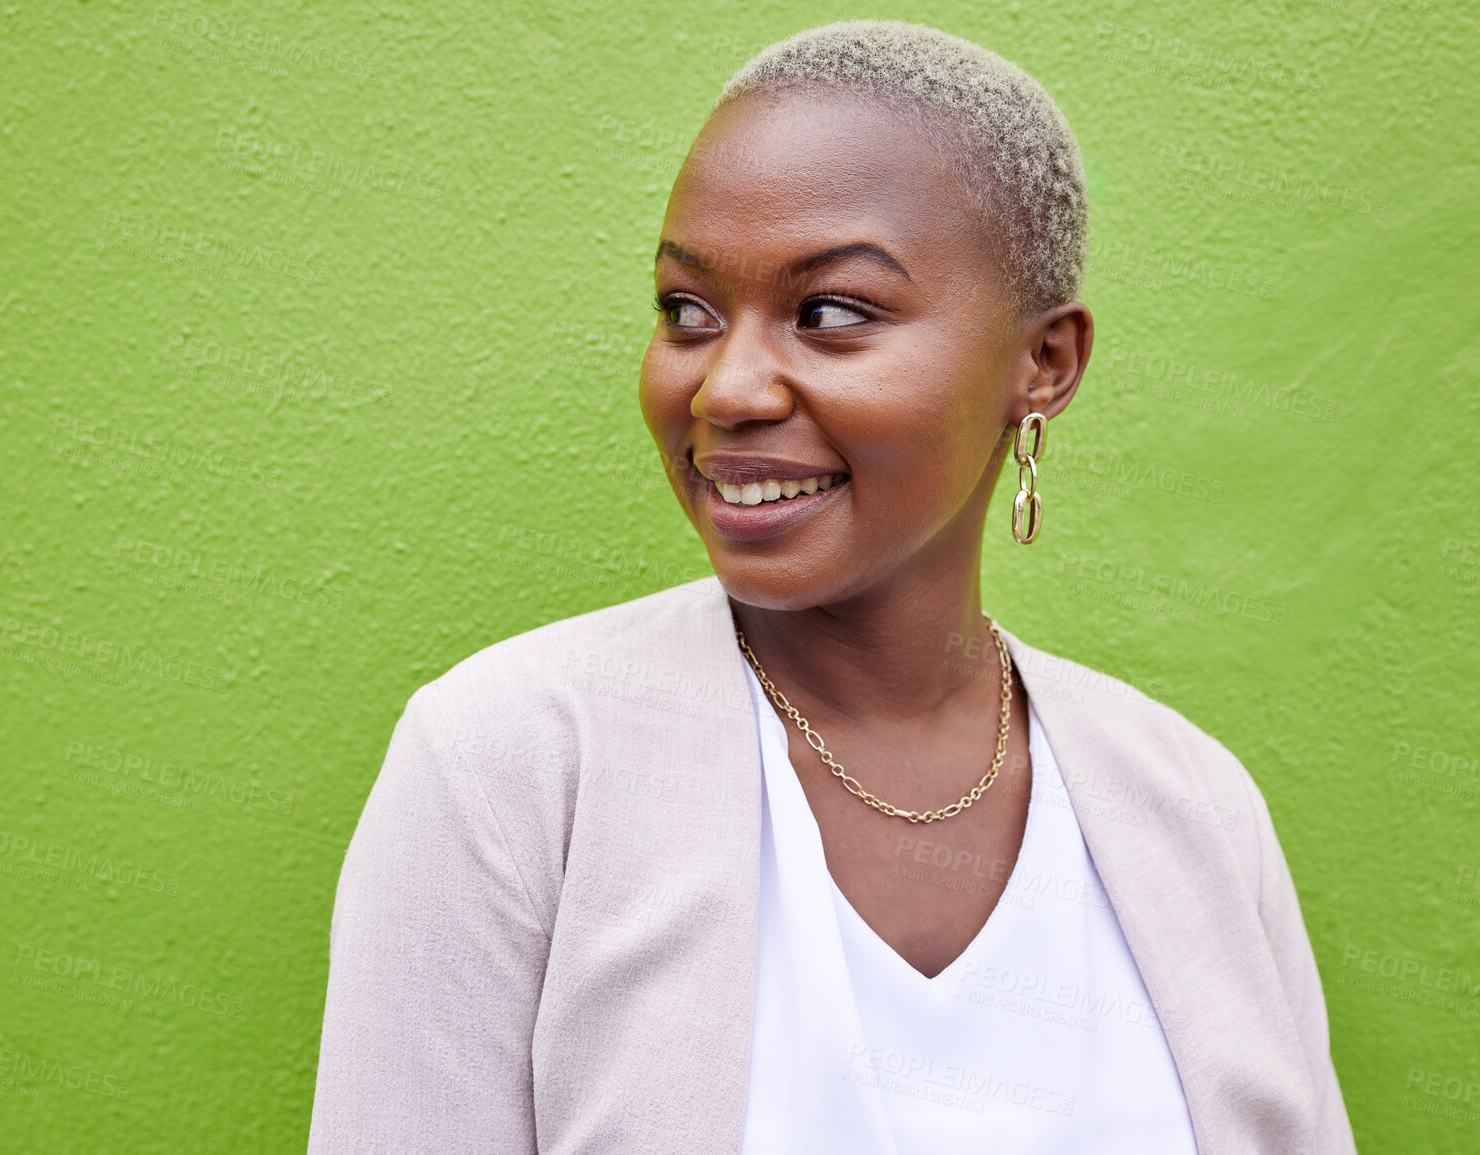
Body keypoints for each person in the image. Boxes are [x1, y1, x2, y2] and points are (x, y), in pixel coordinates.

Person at [308, 20, 1354, 1154]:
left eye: (830, 314)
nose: (726, 388)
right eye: (686, 312)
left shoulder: (1193, 808)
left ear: (1041, 362)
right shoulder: (511, 764)